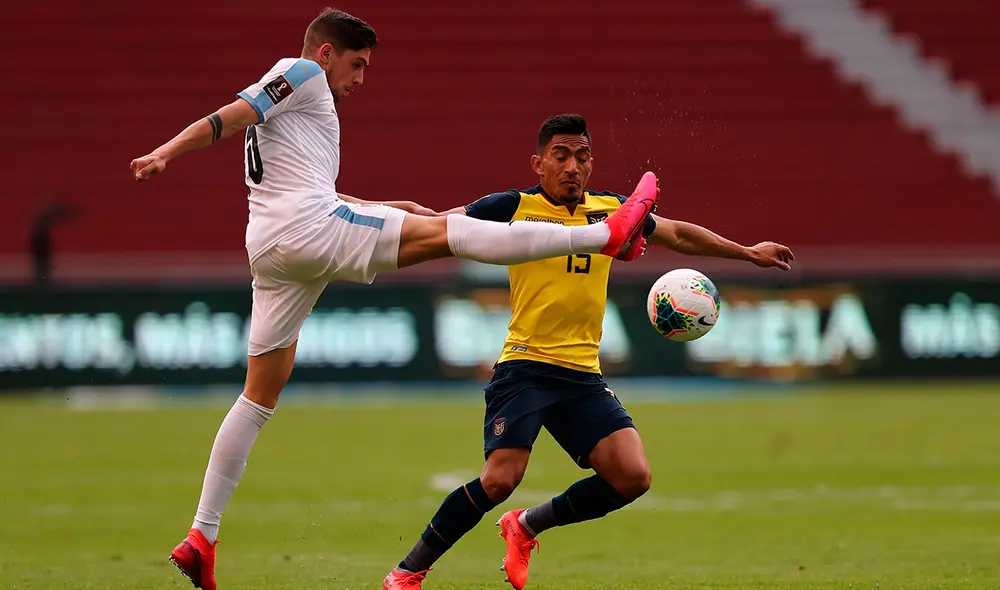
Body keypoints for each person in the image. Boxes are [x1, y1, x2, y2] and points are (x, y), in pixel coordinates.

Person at [128, 9, 657, 590]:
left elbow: (305, 184)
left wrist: (380, 207)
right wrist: (167, 151)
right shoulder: (302, 72)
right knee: (447, 236)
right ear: (327, 53)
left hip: (272, 245)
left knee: (259, 395)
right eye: (357, 64)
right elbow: (233, 115)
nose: (360, 78)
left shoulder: (301, 110)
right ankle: (599, 235)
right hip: (307, 229)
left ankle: (202, 534)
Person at [382, 113, 795, 590]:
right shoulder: (512, 206)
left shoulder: (612, 209)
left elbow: (677, 233)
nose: (572, 166)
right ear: (538, 163)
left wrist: (747, 251)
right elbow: (429, 220)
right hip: (526, 367)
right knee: (499, 479)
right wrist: (344, 205)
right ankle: (407, 572)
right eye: (560, 156)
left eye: (581, 156)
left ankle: (526, 525)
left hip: (582, 375)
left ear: (591, 163)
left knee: (631, 477)